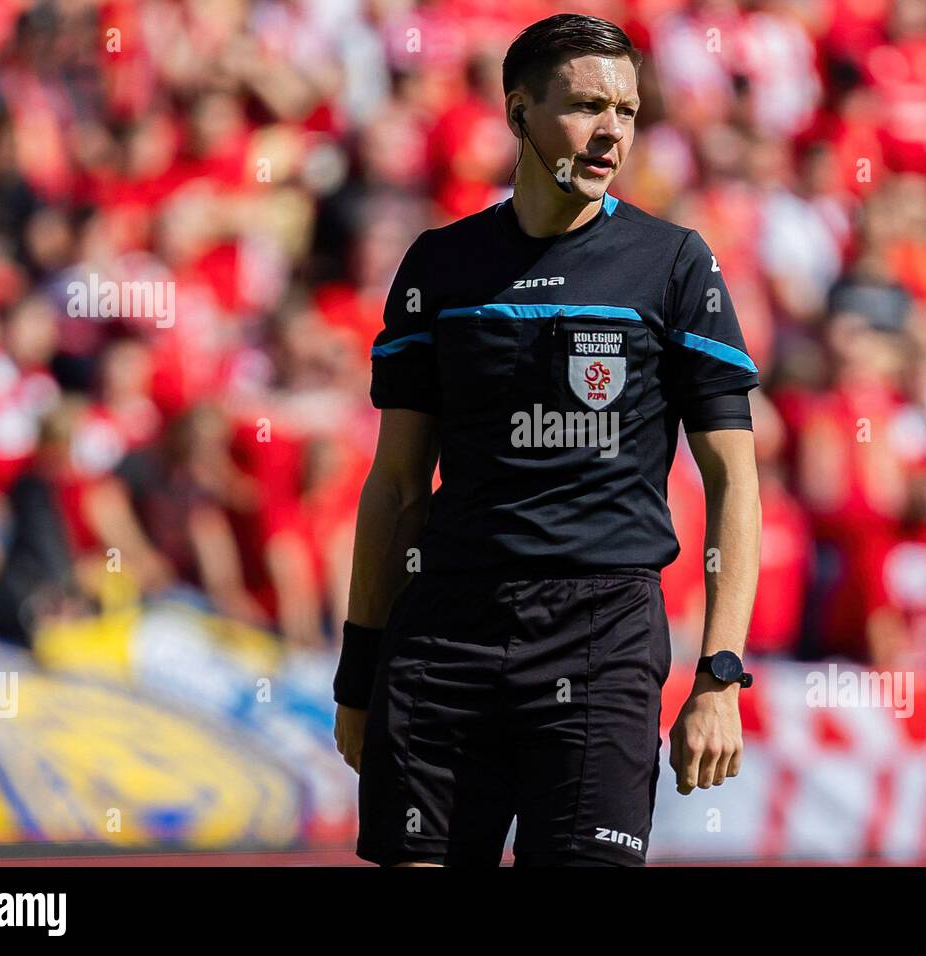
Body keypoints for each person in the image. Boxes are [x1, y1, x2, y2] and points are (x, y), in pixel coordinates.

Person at [332, 13, 762, 867]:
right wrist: (359, 673)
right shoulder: (439, 266)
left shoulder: (673, 263)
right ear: (517, 111)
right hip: (446, 631)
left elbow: (734, 483)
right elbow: (397, 487)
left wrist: (720, 673)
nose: (611, 132)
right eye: (586, 107)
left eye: (629, 112)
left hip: (602, 634)